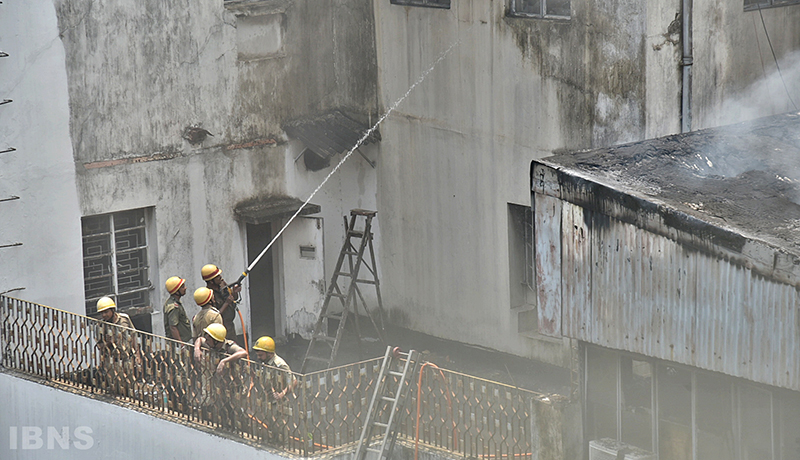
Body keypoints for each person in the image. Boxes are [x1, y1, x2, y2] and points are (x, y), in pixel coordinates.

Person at [201, 264, 242, 343]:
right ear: (211, 281)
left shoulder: (222, 284)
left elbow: (233, 298)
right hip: (219, 330)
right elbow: (213, 316)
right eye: (217, 276)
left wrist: (235, 291)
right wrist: (226, 303)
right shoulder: (208, 294)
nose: (221, 277)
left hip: (230, 327)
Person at [252, 336, 297, 400]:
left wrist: (282, 394)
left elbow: (293, 381)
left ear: (269, 353)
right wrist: (251, 373)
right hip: (266, 400)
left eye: (261, 355)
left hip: (278, 403)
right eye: (258, 355)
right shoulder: (265, 362)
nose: (258, 357)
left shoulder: (280, 364)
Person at [163, 276, 191, 343]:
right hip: (178, 345)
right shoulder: (173, 307)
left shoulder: (173, 302)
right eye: (182, 287)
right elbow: (173, 327)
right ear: (176, 291)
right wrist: (181, 344)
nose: (185, 288)